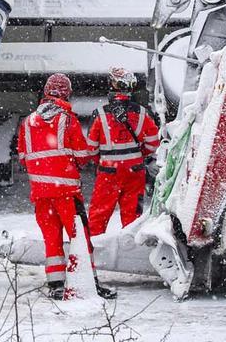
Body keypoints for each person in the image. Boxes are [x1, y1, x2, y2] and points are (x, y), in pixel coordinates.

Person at [17, 73, 115, 300]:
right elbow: (82, 155)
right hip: (66, 193)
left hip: (41, 195)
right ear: (67, 94)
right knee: (80, 239)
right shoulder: (67, 120)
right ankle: (90, 283)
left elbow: (23, 157)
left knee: (52, 241)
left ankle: (56, 285)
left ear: (46, 92)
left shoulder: (28, 122)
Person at [86, 67, 161, 237]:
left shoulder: (100, 115)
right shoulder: (143, 113)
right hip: (135, 171)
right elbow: (153, 144)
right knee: (132, 217)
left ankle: (93, 252)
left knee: (98, 215)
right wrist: (136, 155)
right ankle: (131, 251)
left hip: (108, 172)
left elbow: (91, 149)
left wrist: (104, 158)